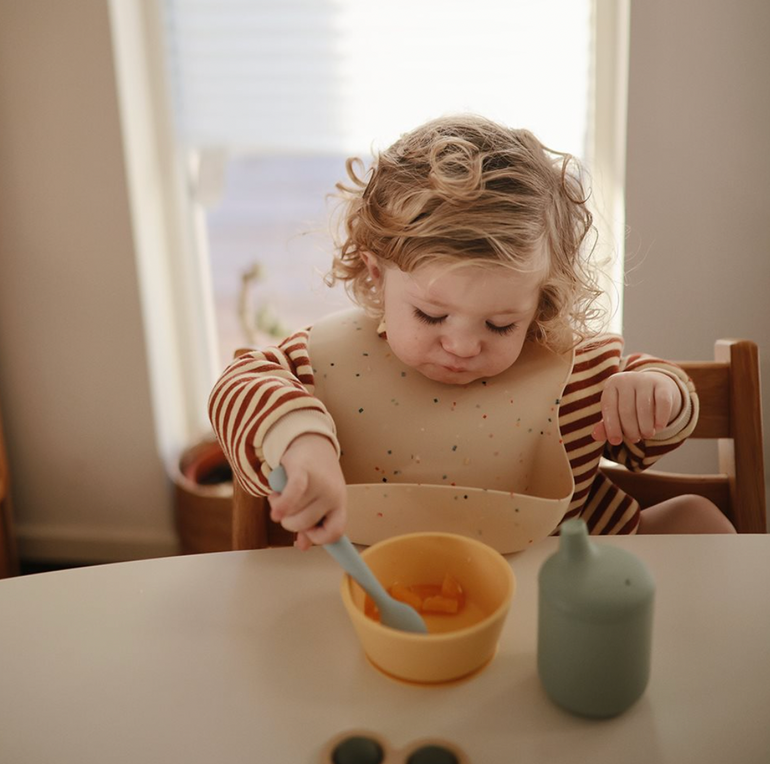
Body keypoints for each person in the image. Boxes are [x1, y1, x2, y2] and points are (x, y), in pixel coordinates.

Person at [209, 114, 735, 551]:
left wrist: (657, 396)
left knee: (699, 522)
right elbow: (237, 385)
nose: (462, 346)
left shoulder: (576, 378)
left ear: (539, 302)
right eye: (431, 316)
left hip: (565, 600)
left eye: (501, 324)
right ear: (376, 274)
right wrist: (300, 442)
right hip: (379, 592)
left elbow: (653, 427)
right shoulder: (321, 366)